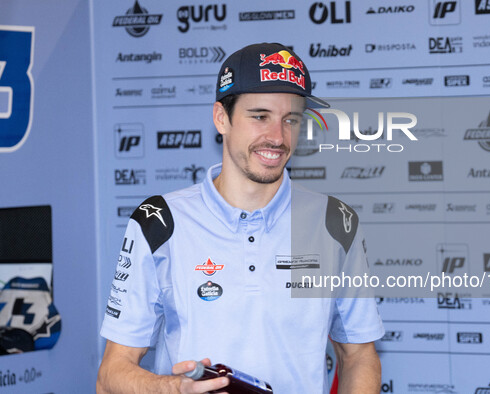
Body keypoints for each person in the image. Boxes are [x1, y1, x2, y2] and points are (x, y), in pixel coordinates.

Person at [97, 42, 384, 394]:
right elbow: (112, 373)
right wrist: (174, 388)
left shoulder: (334, 222)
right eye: (260, 116)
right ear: (221, 117)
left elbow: (358, 355)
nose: (277, 137)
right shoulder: (159, 223)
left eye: (290, 119)